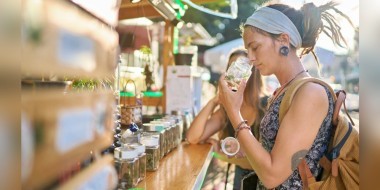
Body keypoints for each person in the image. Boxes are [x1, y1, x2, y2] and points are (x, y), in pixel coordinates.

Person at [217, 2, 353, 189]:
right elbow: (270, 158)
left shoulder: (310, 94)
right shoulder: (284, 91)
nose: (250, 57)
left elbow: (273, 176)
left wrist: (233, 113)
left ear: (283, 39)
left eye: (255, 47)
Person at [186, 48, 268, 190]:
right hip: (240, 177)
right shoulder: (226, 110)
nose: (236, 72)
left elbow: (269, 156)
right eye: (232, 67)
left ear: (253, 72)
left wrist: (232, 151)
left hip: (265, 181)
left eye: (242, 66)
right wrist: (215, 100)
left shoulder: (266, 105)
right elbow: (193, 137)